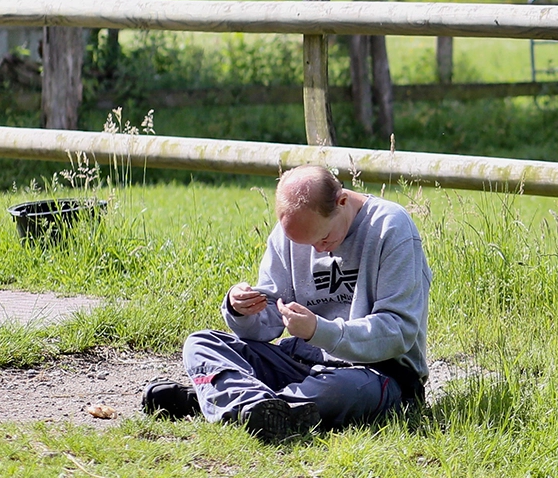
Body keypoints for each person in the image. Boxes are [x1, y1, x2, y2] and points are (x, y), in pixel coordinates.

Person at [142, 165, 433, 444]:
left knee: (336, 391)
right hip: (302, 361)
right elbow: (266, 323)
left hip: (377, 372)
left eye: (323, 238)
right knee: (200, 343)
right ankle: (258, 407)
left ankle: (222, 400)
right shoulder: (290, 233)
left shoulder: (391, 227)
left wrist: (319, 330)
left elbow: (399, 332)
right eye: (303, 243)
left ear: (342, 201)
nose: (317, 250)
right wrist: (240, 310)